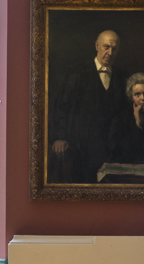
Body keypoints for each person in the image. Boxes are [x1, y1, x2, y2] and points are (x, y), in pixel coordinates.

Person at [49, 28, 130, 182]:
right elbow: (62, 106)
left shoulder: (122, 77)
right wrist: (59, 137)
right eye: (106, 47)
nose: (110, 53)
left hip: (113, 149)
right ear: (97, 46)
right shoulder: (77, 73)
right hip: (83, 148)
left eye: (114, 49)